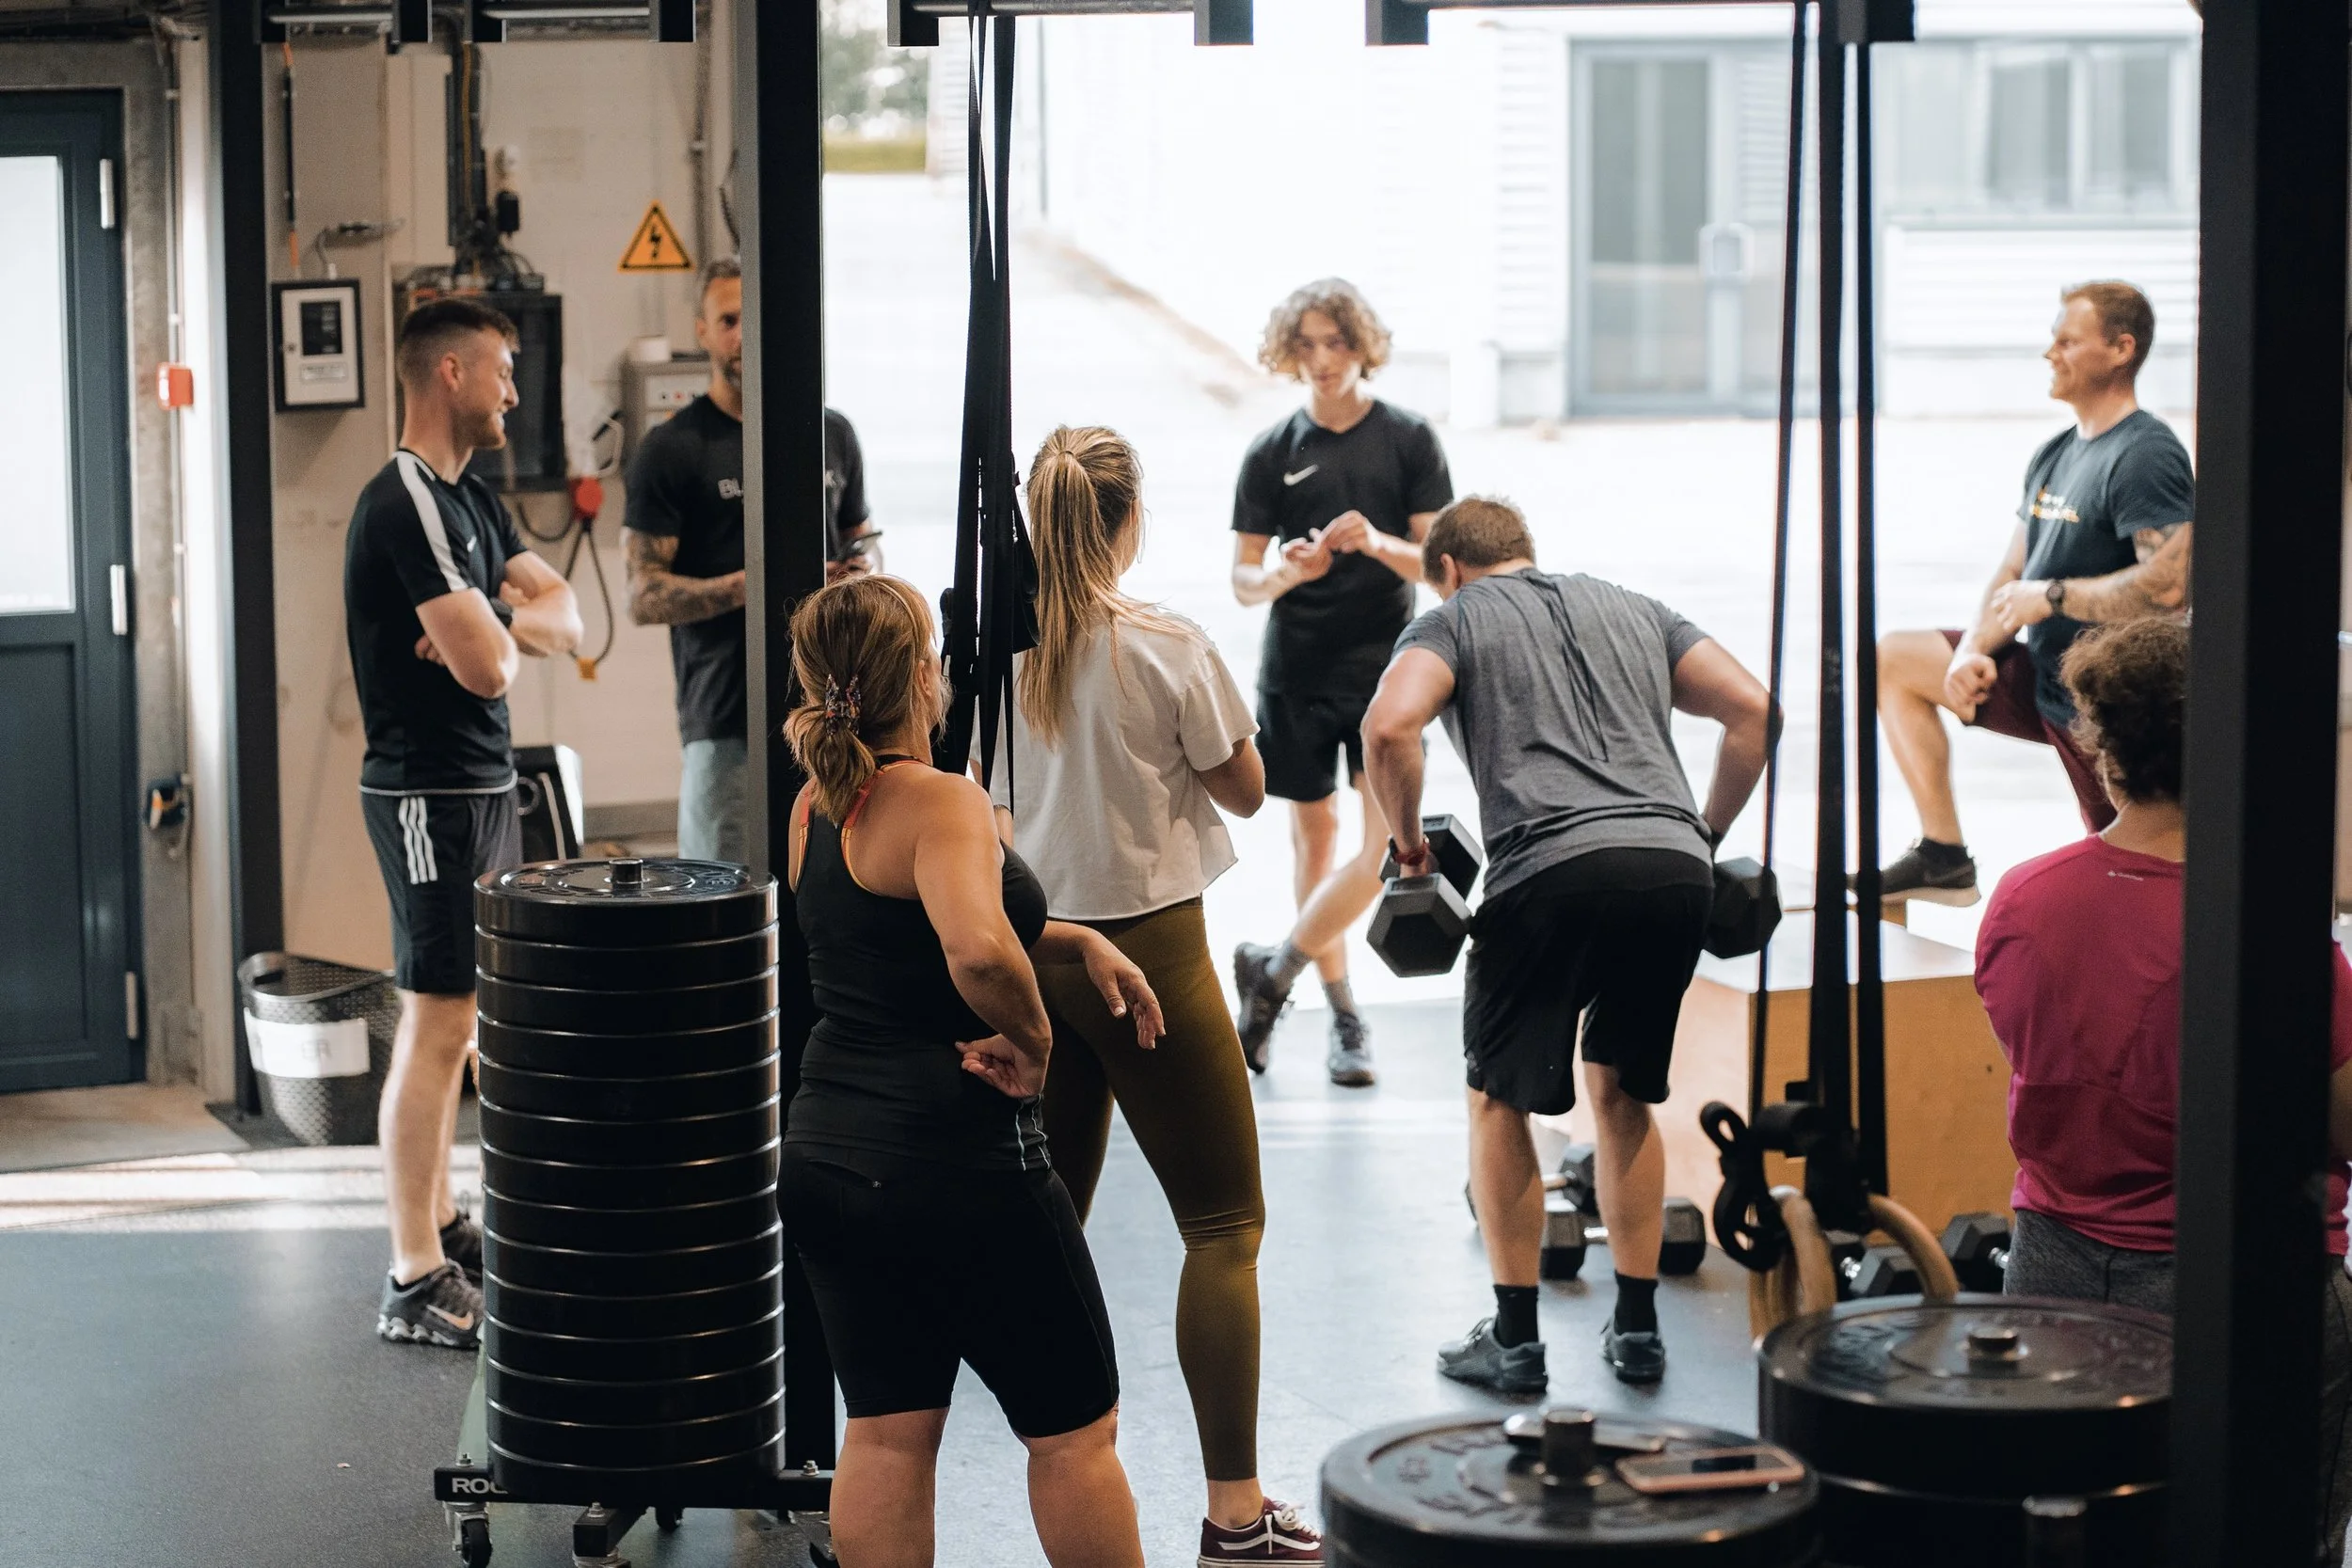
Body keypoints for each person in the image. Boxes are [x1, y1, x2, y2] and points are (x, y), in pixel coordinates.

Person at [779, 573, 1167, 1568]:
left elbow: (889, 935)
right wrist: (1034, 1044)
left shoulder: (817, 807)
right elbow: (975, 955)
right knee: (1074, 1433)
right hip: (951, 1155)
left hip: (830, 1152)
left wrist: (1071, 937)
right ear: (920, 674)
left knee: (886, 1432)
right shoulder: (943, 798)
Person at [988, 427, 1323, 1564]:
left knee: (1051, 1226)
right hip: (1150, 954)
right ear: (1125, 522)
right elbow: (1244, 784)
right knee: (1224, 1225)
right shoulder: (1164, 642)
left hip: (1036, 950)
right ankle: (1235, 1511)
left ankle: (1073, 1460)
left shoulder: (994, 650)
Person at [1361, 497, 1772, 1388]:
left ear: (1450, 568)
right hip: (1672, 874)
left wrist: (1406, 851)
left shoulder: (1452, 619)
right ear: (1525, 552)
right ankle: (1636, 1331)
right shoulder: (1636, 607)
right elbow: (1753, 710)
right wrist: (1700, 831)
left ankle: (1515, 1342)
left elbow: (1389, 728)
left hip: (1546, 871)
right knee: (1623, 1095)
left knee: (1498, 1102)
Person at [1973, 618, 2352, 1562]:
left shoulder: (2021, 899)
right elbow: (2337, 1127)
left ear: (2101, 746)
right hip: (2245, 1285)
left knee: (2076, 1531)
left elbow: (2045, 1050)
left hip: (2051, 1271)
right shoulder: (2268, 928)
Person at [348, 297, 582, 1348]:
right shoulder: (405, 502)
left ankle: (442, 1215)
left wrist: (495, 616)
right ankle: (411, 1272)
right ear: (450, 371)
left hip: (482, 784)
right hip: (425, 792)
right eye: (502, 369)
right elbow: (491, 665)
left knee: (462, 1020)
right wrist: (495, 628)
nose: (514, 391)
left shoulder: (471, 497)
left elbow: (564, 616)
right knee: (436, 1019)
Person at [1871, 280, 2194, 907]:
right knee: (1897, 657)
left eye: (2068, 340)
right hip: (2042, 680)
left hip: (2107, 709)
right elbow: (2010, 570)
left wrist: (2050, 597)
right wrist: (1971, 652)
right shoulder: (2056, 452)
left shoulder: (2146, 454)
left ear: (2121, 348)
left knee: (2137, 870)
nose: (2051, 352)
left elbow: (2167, 586)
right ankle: (1943, 856)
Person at [1228, 278, 1454, 1088]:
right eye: (1308, 345)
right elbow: (1242, 583)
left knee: (1383, 847)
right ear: (1289, 352)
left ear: (1363, 346)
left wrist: (1381, 542)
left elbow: (1444, 570)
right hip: (1296, 669)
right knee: (1314, 844)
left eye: (1338, 343)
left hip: (1388, 674)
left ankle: (1272, 971)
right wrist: (1290, 571)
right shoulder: (1270, 450)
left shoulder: (1409, 440)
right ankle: (1343, 1011)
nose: (1323, 360)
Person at [625, 255, 882, 864]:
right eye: (728, 318)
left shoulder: (833, 433)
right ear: (703, 330)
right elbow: (643, 595)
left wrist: (858, 577)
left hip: (834, 715)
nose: (744, 333)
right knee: (724, 897)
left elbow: (865, 543)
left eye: (754, 317)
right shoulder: (673, 449)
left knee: (830, 894)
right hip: (726, 720)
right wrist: (762, 585)